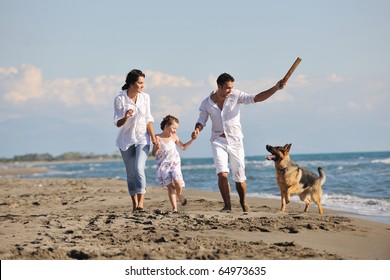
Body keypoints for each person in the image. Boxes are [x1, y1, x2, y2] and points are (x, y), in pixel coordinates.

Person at [192, 73, 286, 213]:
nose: (230, 90)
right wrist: (197, 129)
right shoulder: (207, 103)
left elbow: (256, 98)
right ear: (219, 86)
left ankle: (243, 202)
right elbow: (201, 119)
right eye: (228, 88)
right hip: (218, 140)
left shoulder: (236, 95)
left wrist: (275, 88)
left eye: (232, 87)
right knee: (222, 173)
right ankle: (227, 205)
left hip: (235, 141)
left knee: (239, 175)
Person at [113, 69, 158, 212]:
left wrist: (153, 137)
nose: (142, 86)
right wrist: (126, 116)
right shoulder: (120, 99)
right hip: (126, 140)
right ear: (132, 84)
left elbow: (148, 119)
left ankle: (141, 204)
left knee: (139, 168)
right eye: (140, 83)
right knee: (131, 173)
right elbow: (117, 123)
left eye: (143, 83)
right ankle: (134, 204)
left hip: (142, 137)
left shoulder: (145, 97)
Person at [152, 115, 195, 213]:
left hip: (175, 164)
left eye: (176, 128)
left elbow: (183, 147)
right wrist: (157, 147)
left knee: (178, 181)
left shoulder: (174, 137)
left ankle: (179, 194)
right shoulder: (157, 137)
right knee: (170, 188)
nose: (175, 130)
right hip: (163, 166)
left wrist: (193, 139)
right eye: (174, 128)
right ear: (167, 126)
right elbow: (154, 154)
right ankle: (175, 209)